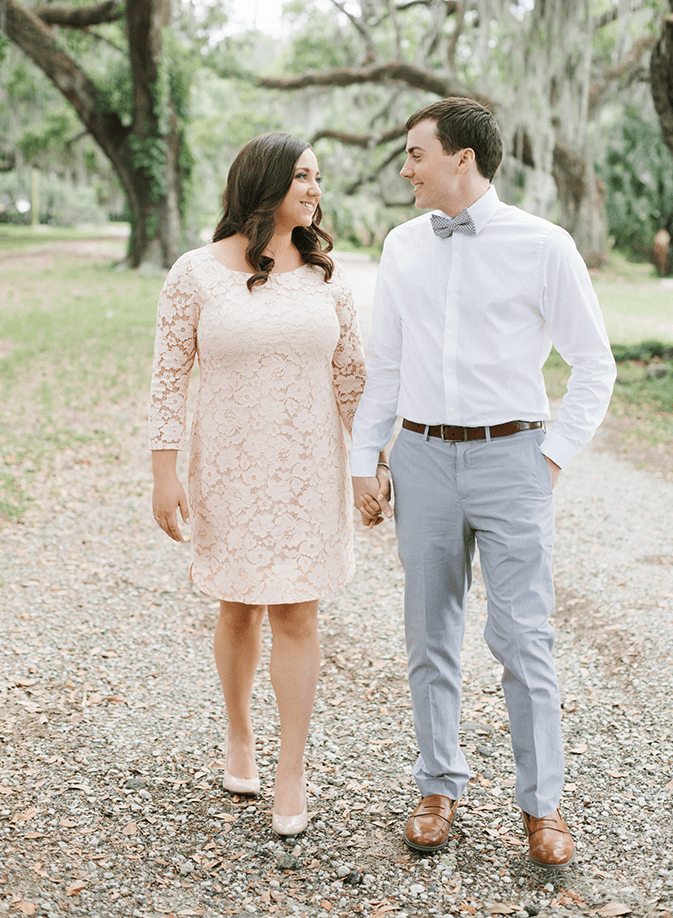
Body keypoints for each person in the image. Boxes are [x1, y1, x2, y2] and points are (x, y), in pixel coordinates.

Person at [351, 99, 616, 865]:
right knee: (429, 634)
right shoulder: (402, 247)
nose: (405, 168)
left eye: (415, 154)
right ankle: (438, 786)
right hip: (423, 459)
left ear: (460, 159)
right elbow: (388, 368)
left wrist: (551, 458)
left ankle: (542, 808)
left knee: (524, 638)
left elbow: (594, 363)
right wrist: (364, 460)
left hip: (514, 459)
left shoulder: (543, 245)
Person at [149, 132, 388, 836]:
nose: (316, 190)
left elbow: (352, 378)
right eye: (303, 177)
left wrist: (367, 467)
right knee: (238, 608)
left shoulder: (328, 277)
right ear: (264, 184)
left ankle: (292, 767)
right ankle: (239, 736)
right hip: (228, 465)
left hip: (309, 469)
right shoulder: (194, 273)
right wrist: (165, 475)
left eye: (318, 178)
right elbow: (168, 375)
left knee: (298, 614)